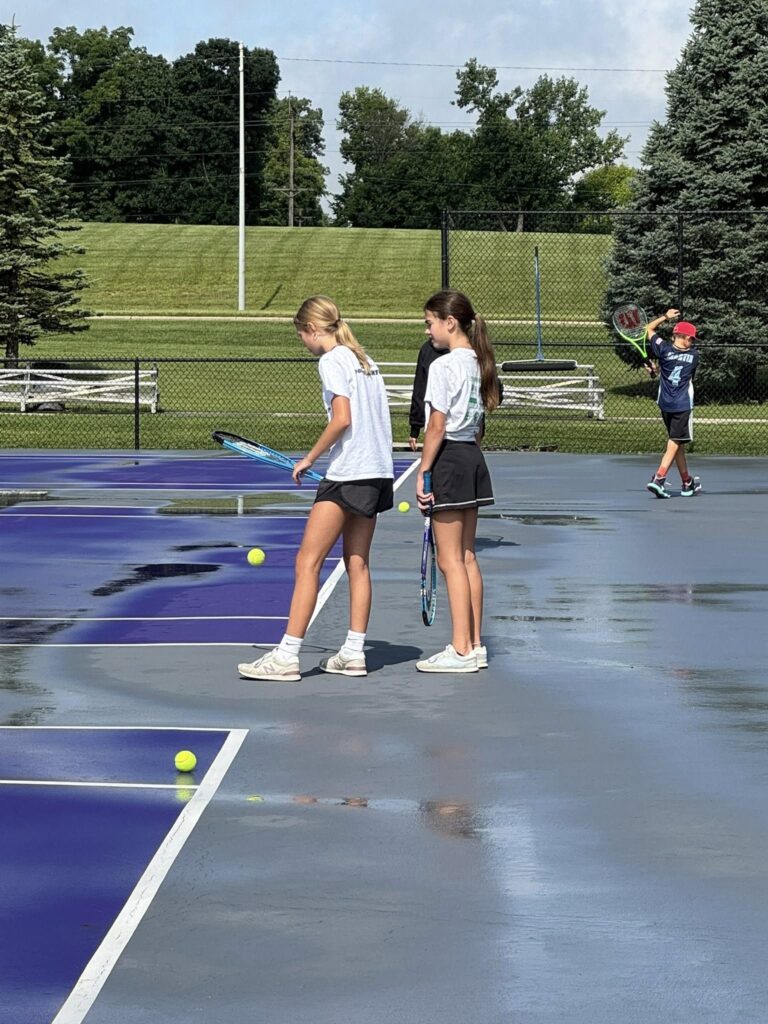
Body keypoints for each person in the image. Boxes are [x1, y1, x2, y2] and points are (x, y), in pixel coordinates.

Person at [238, 296, 394, 682]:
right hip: (377, 473)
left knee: (307, 562)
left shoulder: (332, 360)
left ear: (311, 330)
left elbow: (342, 419)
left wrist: (309, 458)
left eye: (300, 335)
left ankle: (286, 656)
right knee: (357, 563)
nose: (302, 343)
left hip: (348, 474)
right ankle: (354, 654)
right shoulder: (366, 361)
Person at [414, 289, 499, 674]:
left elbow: (436, 425)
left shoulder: (443, 366)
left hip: (449, 459)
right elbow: (477, 427)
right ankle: (475, 645)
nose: (427, 330)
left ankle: (461, 649)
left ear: (450, 323)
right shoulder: (481, 362)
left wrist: (424, 471)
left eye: (430, 323)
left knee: (450, 561)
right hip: (471, 458)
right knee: (466, 557)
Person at [644, 309, 701, 498]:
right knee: (675, 442)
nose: (692, 342)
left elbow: (648, 329)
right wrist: (657, 369)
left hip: (665, 404)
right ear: (685, 337)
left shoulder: (664, 350)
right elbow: (681, 369)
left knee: (677, 443)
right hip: (682, 405)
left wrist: (665, 317)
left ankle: (687, 482)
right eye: (691, 339)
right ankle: (659, 479)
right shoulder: (694, 356)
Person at [408, 339, 447, 450]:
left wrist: (415, 428)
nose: (427, 331)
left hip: (438, 423)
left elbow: (420, 390)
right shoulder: (427, 348)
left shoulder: (427, 349)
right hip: (463, 430)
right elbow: (420, 389)